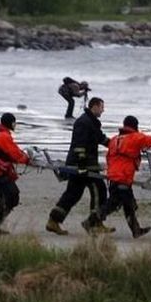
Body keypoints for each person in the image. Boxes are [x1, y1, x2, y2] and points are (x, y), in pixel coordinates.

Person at [46, 97, 113, 236]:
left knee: (73, 193)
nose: (103, 110)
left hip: (82, 164)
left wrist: (118, 145)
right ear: (94, 106)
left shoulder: (92, 122)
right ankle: (94, 224)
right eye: (102, 107)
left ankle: (53, 221)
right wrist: (82, 166)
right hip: (82, 165)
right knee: (98, 190)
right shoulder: (84, 122)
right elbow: (79, 145)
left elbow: (101, 138)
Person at [98, 116, 151, 238]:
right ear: (135, 126)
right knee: (114, 204)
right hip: (123, 177)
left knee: (128, 204)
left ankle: (136, 230)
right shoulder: (136, 138)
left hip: (113, 176)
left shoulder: (115, 139)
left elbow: (109, 157)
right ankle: (91, 221)